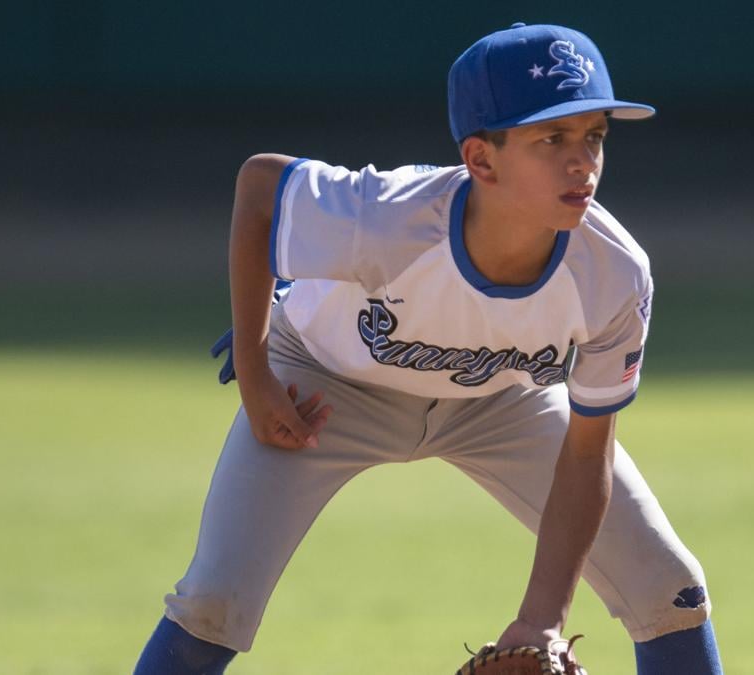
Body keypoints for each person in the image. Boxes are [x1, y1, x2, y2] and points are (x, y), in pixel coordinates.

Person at [133, 22, 723, 675]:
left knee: (670, 590)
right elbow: (259, 190)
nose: (581, 160)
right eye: (551, 138)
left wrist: (543, 617)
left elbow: (588, 456)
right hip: (327, 386)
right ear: (481, 159)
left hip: (504, 401)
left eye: (594, 136)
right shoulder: (387, 218)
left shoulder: (614, 271)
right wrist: (255, 362)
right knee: (212, 602)